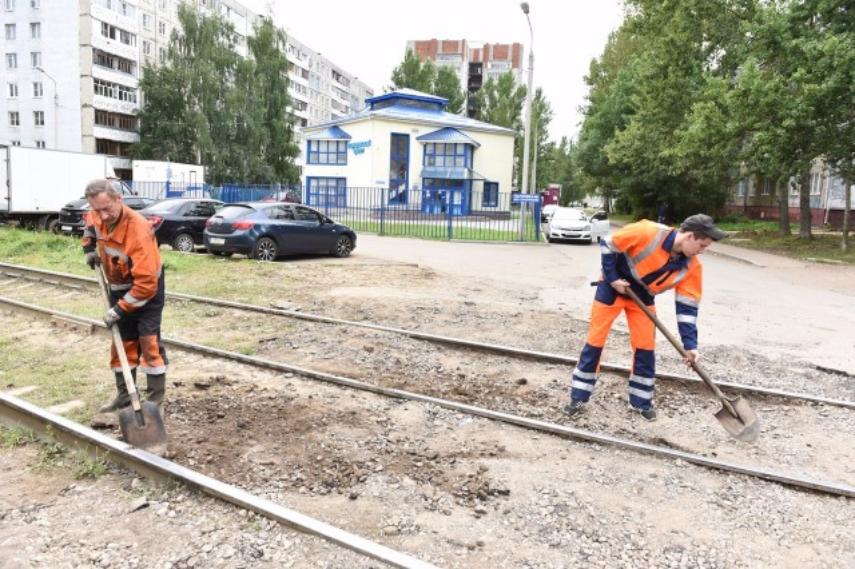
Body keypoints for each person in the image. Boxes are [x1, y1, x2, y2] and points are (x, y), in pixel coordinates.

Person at [563, 214, 728, 421]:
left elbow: (687, 308)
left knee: (645, 348)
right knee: (595, 342)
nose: (702, 251)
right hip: (611, 289)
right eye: (701, 245)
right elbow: (608, 243)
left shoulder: (692, 267)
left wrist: (690, 345)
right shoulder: (647, 231)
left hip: (642, 298)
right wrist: (613, 278)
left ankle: (640, 402)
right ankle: (578, 397)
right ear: (688, 236)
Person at [81, 179, 168, 412]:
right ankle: (125, 395)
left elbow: (146, 284)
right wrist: (89, 248)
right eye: (97, 209)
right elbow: (90, 225)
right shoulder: (97, 214)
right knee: (122, 341)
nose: (103, 215)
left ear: (119, 199)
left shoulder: (138, 231)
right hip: (118, 285)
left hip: (147, 291)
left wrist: (118, 310)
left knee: (148, 343)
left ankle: (154, 402)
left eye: (107, 208)